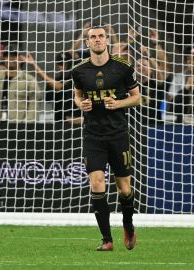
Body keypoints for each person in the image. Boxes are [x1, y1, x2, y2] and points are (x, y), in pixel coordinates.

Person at [71, 25, 141, 251]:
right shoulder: (79, 70)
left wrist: (118, 103)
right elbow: (78, 95)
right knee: (97, 182)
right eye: (93, 37)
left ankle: (128, 225)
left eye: (101, 36)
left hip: (118, 134)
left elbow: (137, 97)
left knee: (124, 189)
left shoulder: (122, 67)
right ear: (87, 43)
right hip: (93, 135)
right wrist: (80, 104)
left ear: (107, 40)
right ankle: (107, 239)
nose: (98, 40)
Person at [0, 46, 42, 122]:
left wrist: (25, 129)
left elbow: (33, 107)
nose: (10, 58)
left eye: (14, 55)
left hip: (20, 129)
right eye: (7, 55)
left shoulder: (30, 81)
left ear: (20, 59)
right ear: (4, 59)